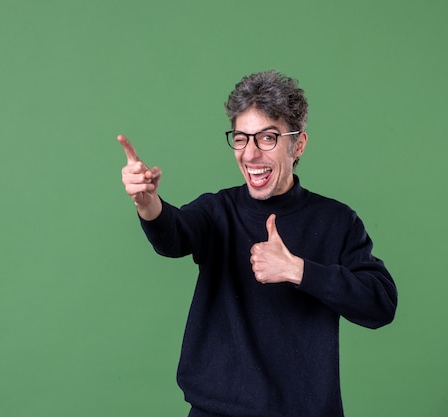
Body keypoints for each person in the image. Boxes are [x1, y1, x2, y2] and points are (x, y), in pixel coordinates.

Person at [117, 70, 398, 417]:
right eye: (241, 138)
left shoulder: (337, 221)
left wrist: (298, 270)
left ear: (298, 144)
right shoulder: (219, 210)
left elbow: (381, 304)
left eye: (267, 138)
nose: (250, 155)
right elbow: (174, 235)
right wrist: (147, 202)